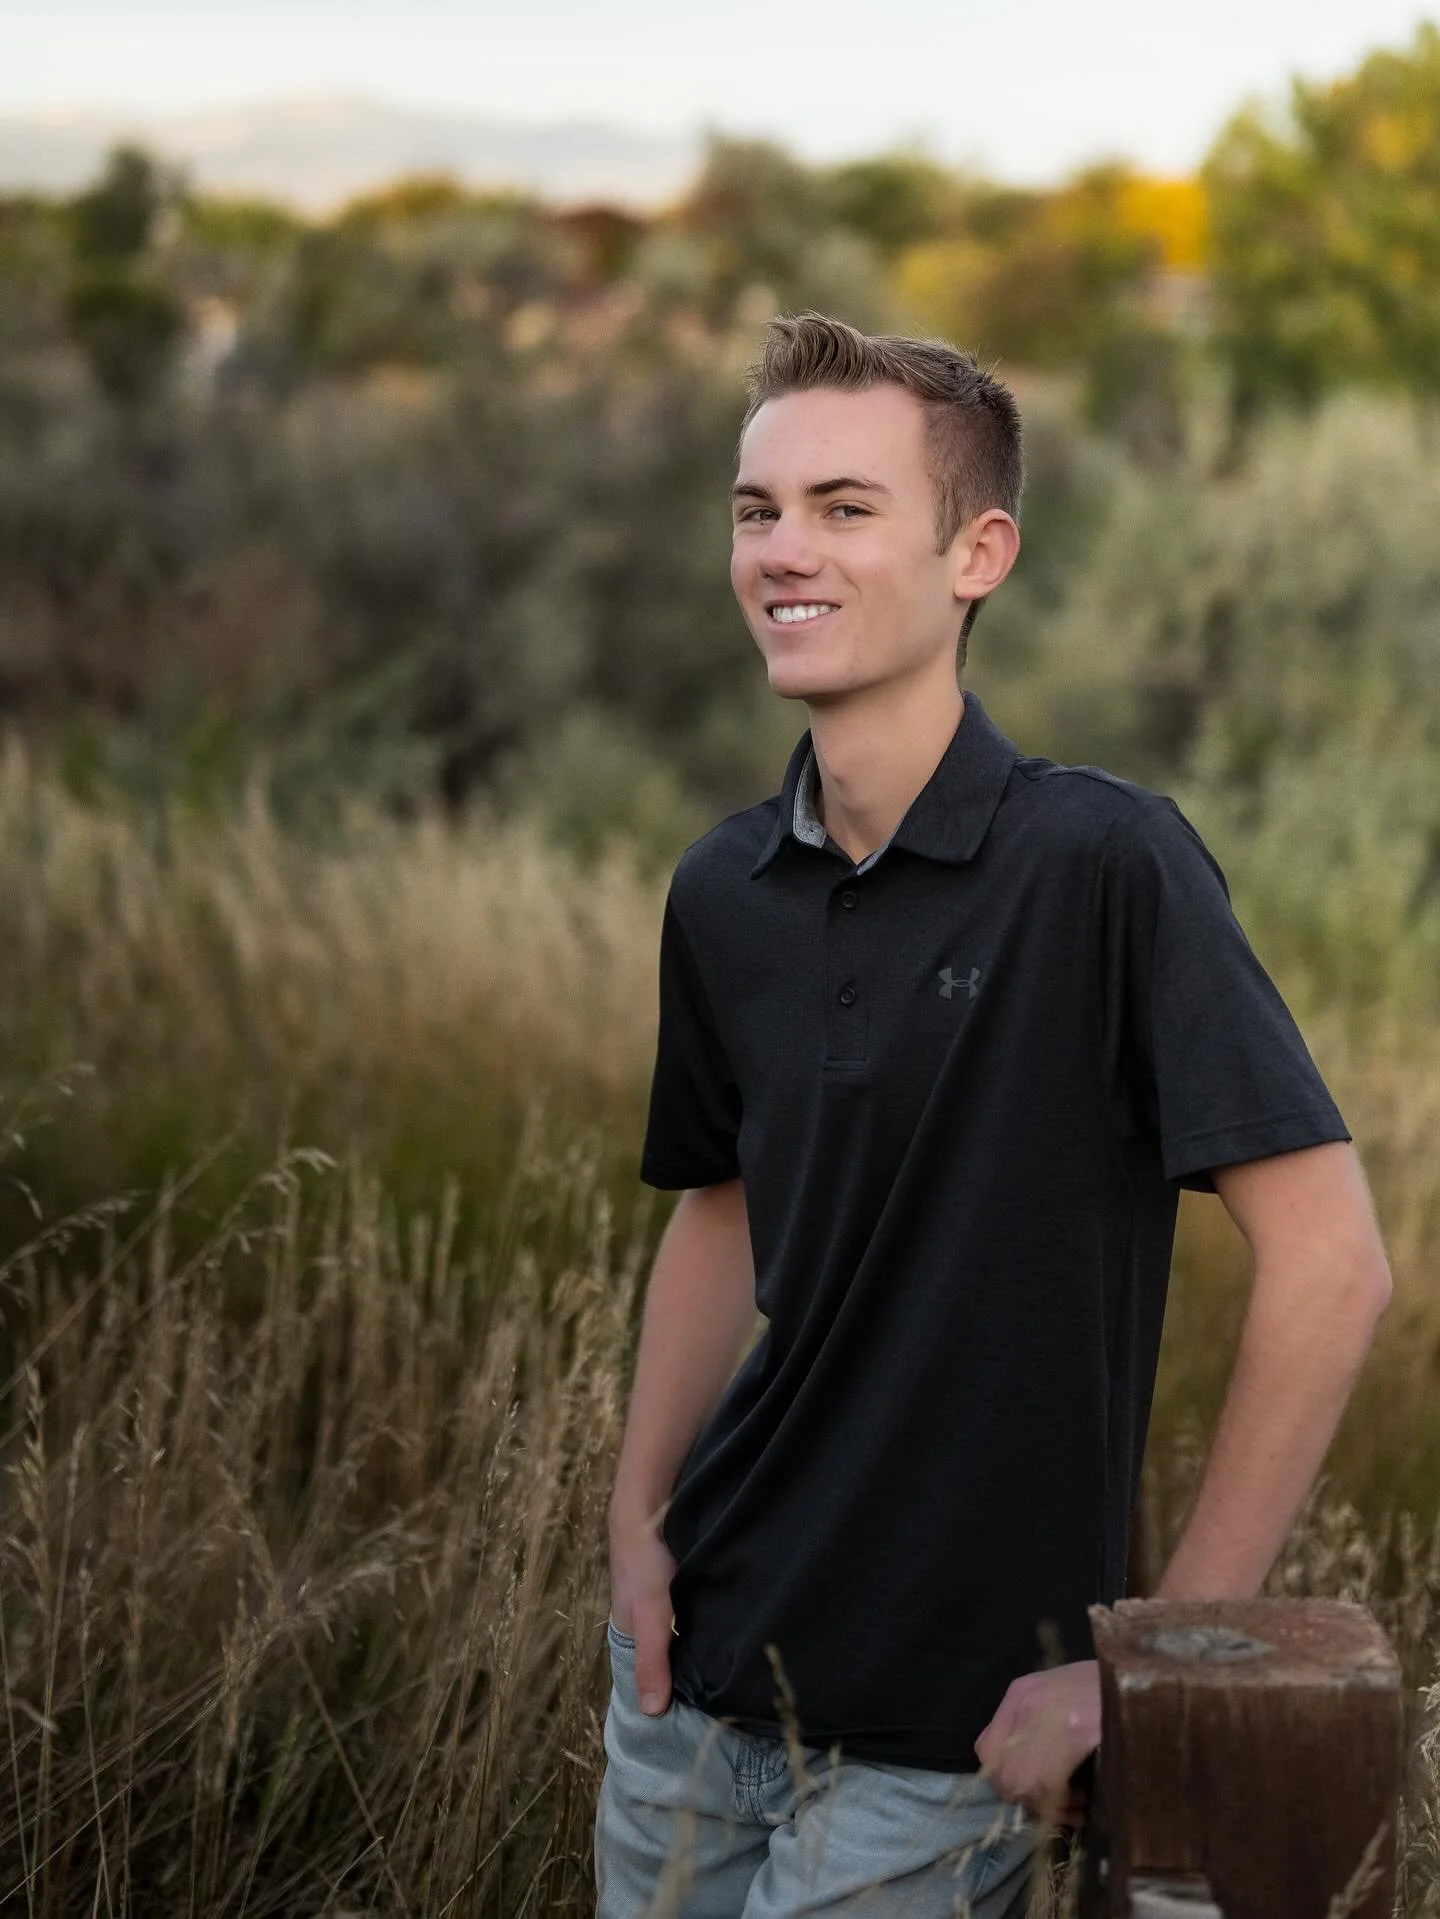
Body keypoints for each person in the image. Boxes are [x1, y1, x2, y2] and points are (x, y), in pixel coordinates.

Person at [593, 312, 1392, 1919]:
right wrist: (634, 1526)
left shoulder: (1104, 867)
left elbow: (1333, 1265)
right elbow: (719, 1207)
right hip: (690, 1691)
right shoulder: (724, 889)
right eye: (757, 511)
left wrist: (1153, 1663)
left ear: (980, 553)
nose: (782, 551)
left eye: (844, 506)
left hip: (952, 1728)